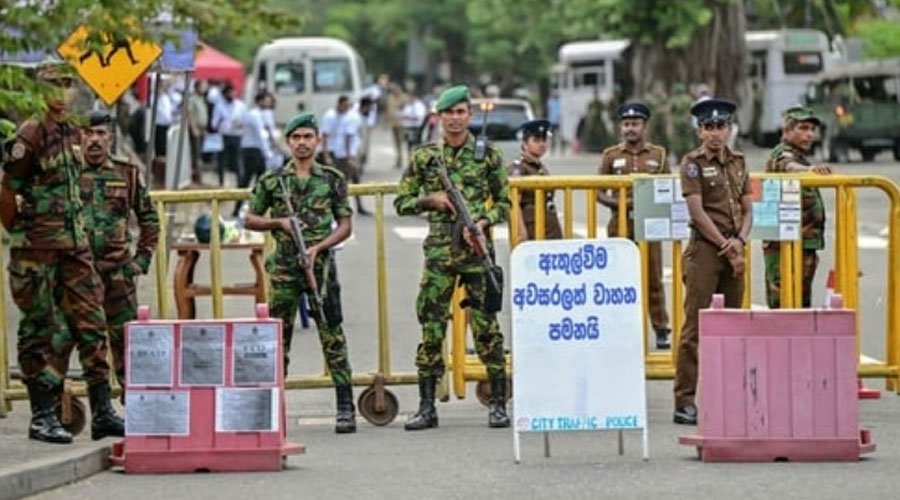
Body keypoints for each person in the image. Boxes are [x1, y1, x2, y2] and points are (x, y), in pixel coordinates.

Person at [0, 62, 122, 443]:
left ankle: (103, 412)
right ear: (41, 90)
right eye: (55, 85)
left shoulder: (72, 130)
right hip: (37, 250)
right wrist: (22, 230)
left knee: (91, 323)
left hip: (75, 246)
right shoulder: (30, 134)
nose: (62, 92)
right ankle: (42, 416)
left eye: (68, 85)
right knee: (39, 329)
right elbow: (6, 190)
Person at [394, 85, 511, 431]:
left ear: (470, 116)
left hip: (477, 252)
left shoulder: (487, 154)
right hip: (440, 253)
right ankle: (427, 407)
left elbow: (504, 201)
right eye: (449, 113)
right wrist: (432, 201)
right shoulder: (425, 157)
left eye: (461, 112)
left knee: (487, 328)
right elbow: (402, 202)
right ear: (439, 117)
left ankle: (498, 405)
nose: (456, 119)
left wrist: (483, 221)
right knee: (431, 327)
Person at [244, 113, 357, 434]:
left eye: (308, 136)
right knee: (277, 339)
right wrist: (277, 223)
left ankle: (345, 406)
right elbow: (250, 219)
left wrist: (320, 247)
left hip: (320, 270)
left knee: (332, 335)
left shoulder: (332, 178)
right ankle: (271, 409)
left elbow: (346, 225)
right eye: (296, 138)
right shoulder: (272, 179)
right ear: (288, 141)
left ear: (318, 139)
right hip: (283, 269)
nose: (303, 143)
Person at [54, 111, 159, 399]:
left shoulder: (127, 174)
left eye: (101, 134)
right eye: (88, 133)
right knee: (62, 340)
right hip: (77, 276)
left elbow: (149, 218)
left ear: (110, 138)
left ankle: (137, 403)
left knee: (127, 343)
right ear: (79, 138)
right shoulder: (66, 174)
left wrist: (141, 261)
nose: (95, 140)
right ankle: (51, 406)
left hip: (118, 275)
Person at [674, 98, 752, 425]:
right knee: (695, 327)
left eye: (721, 126)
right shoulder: (692, 164)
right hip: (706, 251)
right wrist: (725, 244)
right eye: (708, 127)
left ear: (729, 128)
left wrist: (740, 242)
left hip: (734, 249)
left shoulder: (739, 161)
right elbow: (697, 211)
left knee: (734, 326)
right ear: (699, 130)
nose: (715, 134)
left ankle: (731, 394)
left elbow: (748, 208)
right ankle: (685, 400)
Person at [597, 102, 672, 349]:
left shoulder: (658, 155)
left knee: (653, 278)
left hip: (649, 226)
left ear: (645, 126)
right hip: (619, 225)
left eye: (635, 124)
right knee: (618, 278)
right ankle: (618, 327)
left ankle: (661, 328)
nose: (630, 129)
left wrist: (647, 203)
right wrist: (622, 204)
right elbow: (598, 191)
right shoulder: (611, 156)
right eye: (626, 124)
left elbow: (667, 189)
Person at [763, 105, 833, 308]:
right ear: (786, 131)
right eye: (802, 128)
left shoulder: (799, 155)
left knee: (801, 303)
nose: (809, 134)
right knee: (783, 304)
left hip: (803, 244)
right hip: (784, 246)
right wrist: (809, 170)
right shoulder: (782, 153)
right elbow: (788, 166)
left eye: (812, 129)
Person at [507, 119, 562, 243]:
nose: (542, 144)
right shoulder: (518, 168)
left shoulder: (540, 167)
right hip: (532, 231)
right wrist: (521, 231)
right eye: (536, 140)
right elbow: (513, 203)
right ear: (525, 144)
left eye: (544, 140)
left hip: (548, 230)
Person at [233, 92, 271, 216]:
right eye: (266, 101)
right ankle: (251, 209)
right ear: (259, 101)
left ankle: (244, 209)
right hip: (254, 151)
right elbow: (261, 135)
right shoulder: (255, 115)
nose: (268, 103)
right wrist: (267, 153)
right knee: (258, 181)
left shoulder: (254, 114)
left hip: (249, 150)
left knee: (249, 181)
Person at [211, 82, 245, 186]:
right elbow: (214, 124)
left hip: (237, 136)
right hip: (224, 136)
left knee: (237, 160)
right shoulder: (219, 106)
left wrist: (240, 124)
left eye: (232, 93)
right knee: (222, 160)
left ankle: (240, 182)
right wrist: (222, 123)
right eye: (228, 93)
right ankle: (221, 181)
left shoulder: (240, 106)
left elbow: (246, 121)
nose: (231, 95)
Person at [319, 95, 351, 166]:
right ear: (339, 104)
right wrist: (326, 157)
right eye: (345, 106)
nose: (347, 108)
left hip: (339, 152)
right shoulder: (330, 116)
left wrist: (347, 154)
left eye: (348, 106)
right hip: (330, 151)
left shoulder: (344, 117)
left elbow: (345, 136)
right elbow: (324, 137)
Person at [188, 79, 209, 184]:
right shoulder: (192, 99)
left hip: (202, 129)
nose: (205, 88)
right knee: (196, 154)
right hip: (196, 129)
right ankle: (196, 176)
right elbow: (190, 113)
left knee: (200, 153)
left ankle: (198, 175)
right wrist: (193, 128)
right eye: (203, 86)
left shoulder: (202, 99)